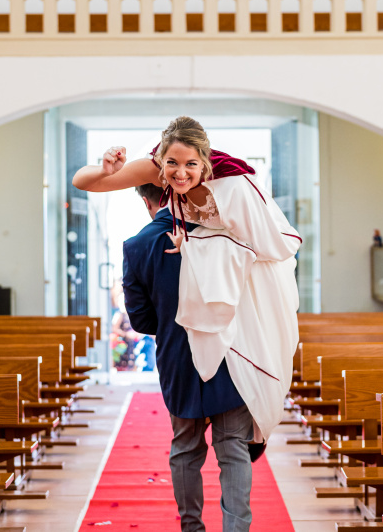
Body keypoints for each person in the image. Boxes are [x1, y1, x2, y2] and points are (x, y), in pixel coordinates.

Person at [72, 115, 300, 446]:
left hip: (256, 271)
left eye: (190, 164)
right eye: (171, 163)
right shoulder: (156, 167)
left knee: (258, 359)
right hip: (203, 275)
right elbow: (83, 181)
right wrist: (106, 169)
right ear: (160, 159)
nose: (180, 173)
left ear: (204, 161)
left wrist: (201, 245)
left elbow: (269, 247)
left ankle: (251, 428)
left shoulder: (233, 185)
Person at [122, 182, 255, 531]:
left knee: (185, 448)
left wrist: (171, 322)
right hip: (229, 354)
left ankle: (192, 527)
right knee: (233, 448)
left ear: (149, 203)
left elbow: (141, 320)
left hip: (178, 359)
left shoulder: (136, 246)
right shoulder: (221, 233)